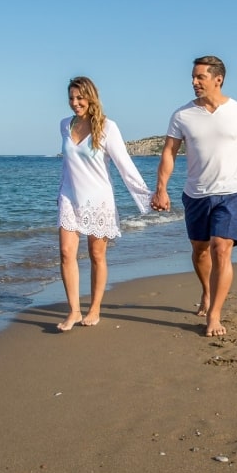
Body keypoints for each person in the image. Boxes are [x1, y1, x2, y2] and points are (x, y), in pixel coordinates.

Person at [151, 56, 237, 337]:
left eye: (200, 77)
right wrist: (161, 188)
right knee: (200, 250)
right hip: (196, 195)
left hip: (231, 192)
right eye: (193, 77)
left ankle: (214, 314)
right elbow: (169, 153)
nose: (194, 82)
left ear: (218, 79)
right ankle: (207, 290)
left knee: (221, 248)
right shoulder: (182, 115)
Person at [56, 76, 152, 332]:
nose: (75, 103)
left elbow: (124, 166)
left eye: (80, 98)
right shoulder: (65, 125)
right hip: (69, 197)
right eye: (71, 98)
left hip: (98, 199)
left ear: (90, 97)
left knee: (96, 254)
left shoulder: (107, 127)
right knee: (66, 253)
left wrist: (146, 197)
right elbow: (68, 165)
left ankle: (95, 308)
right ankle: (73, 311)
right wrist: (60, 194)